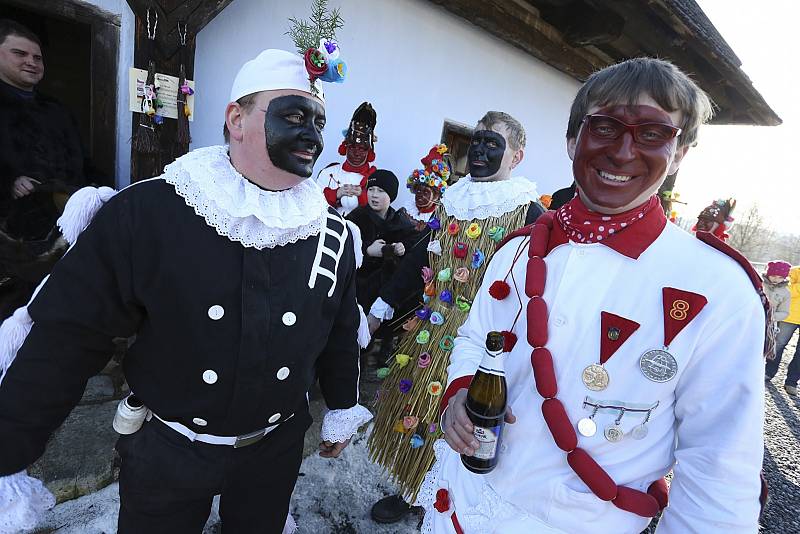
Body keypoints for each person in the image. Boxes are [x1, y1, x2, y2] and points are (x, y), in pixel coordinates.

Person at [0, 48, 372, 534]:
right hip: (167, 453)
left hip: (275, 453)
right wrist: (9, 453)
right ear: (236, 119)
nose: (312, 135)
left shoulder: (334, 235)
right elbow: (68, 336)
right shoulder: (151, 210)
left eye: (320, 123)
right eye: (294, 115)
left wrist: (342, 406)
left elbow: (339, 331)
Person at [419, 57, 768, 533]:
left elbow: (719, 470)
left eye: (652, 134)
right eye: (604, 127)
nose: (623, 152)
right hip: (458, 506)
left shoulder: (718, 288)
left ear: (681, 151)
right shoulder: (517, 252)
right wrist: (459, 394)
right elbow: (475, 338)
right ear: (571, 141)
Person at [367, 117, 546, 524]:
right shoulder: (451, 199)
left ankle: (444, 493)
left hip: (485, 341)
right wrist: (383, 306)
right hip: (431, 329)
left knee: (462, 422)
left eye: (493, 143)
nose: (480, 150)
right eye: (477, 140)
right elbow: (419, 258)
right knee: (416, 409)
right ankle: (411, 488)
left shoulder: (528, 210)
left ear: (516, 156)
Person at [0, 19, 97, 320]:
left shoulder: (56, 109)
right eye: (20, 54)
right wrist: (7, 182)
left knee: (55, 309)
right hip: (11, 233)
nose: (31, 62)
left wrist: (96, 193)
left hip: (63, 225)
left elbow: (82, 160)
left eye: (37, 57)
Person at [346, 169, 420, 355]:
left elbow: (415, 244)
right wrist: (367, 250)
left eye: (381, 191)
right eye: (371, 189)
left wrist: (402, 246)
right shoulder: (356, 218)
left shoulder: (400, 220)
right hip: (359, 286)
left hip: (385, 289)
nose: (374, 195)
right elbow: (342, 244)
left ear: (391, 195)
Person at [317, 101, 377, 215]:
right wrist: (336, 194)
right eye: (353, 147)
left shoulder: (374, 179)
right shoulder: (327, 173)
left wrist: (362, 196)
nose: (357, 153)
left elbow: (379, 212)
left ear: (369, 152)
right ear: (345, 147)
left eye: (362, 149)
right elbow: (312, 203)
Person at [766, 263, 800, 395]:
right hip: (790, 316)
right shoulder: (794, 271)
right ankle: (768, 372)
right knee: (778, 344)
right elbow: (785, 290)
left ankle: (791, 382)